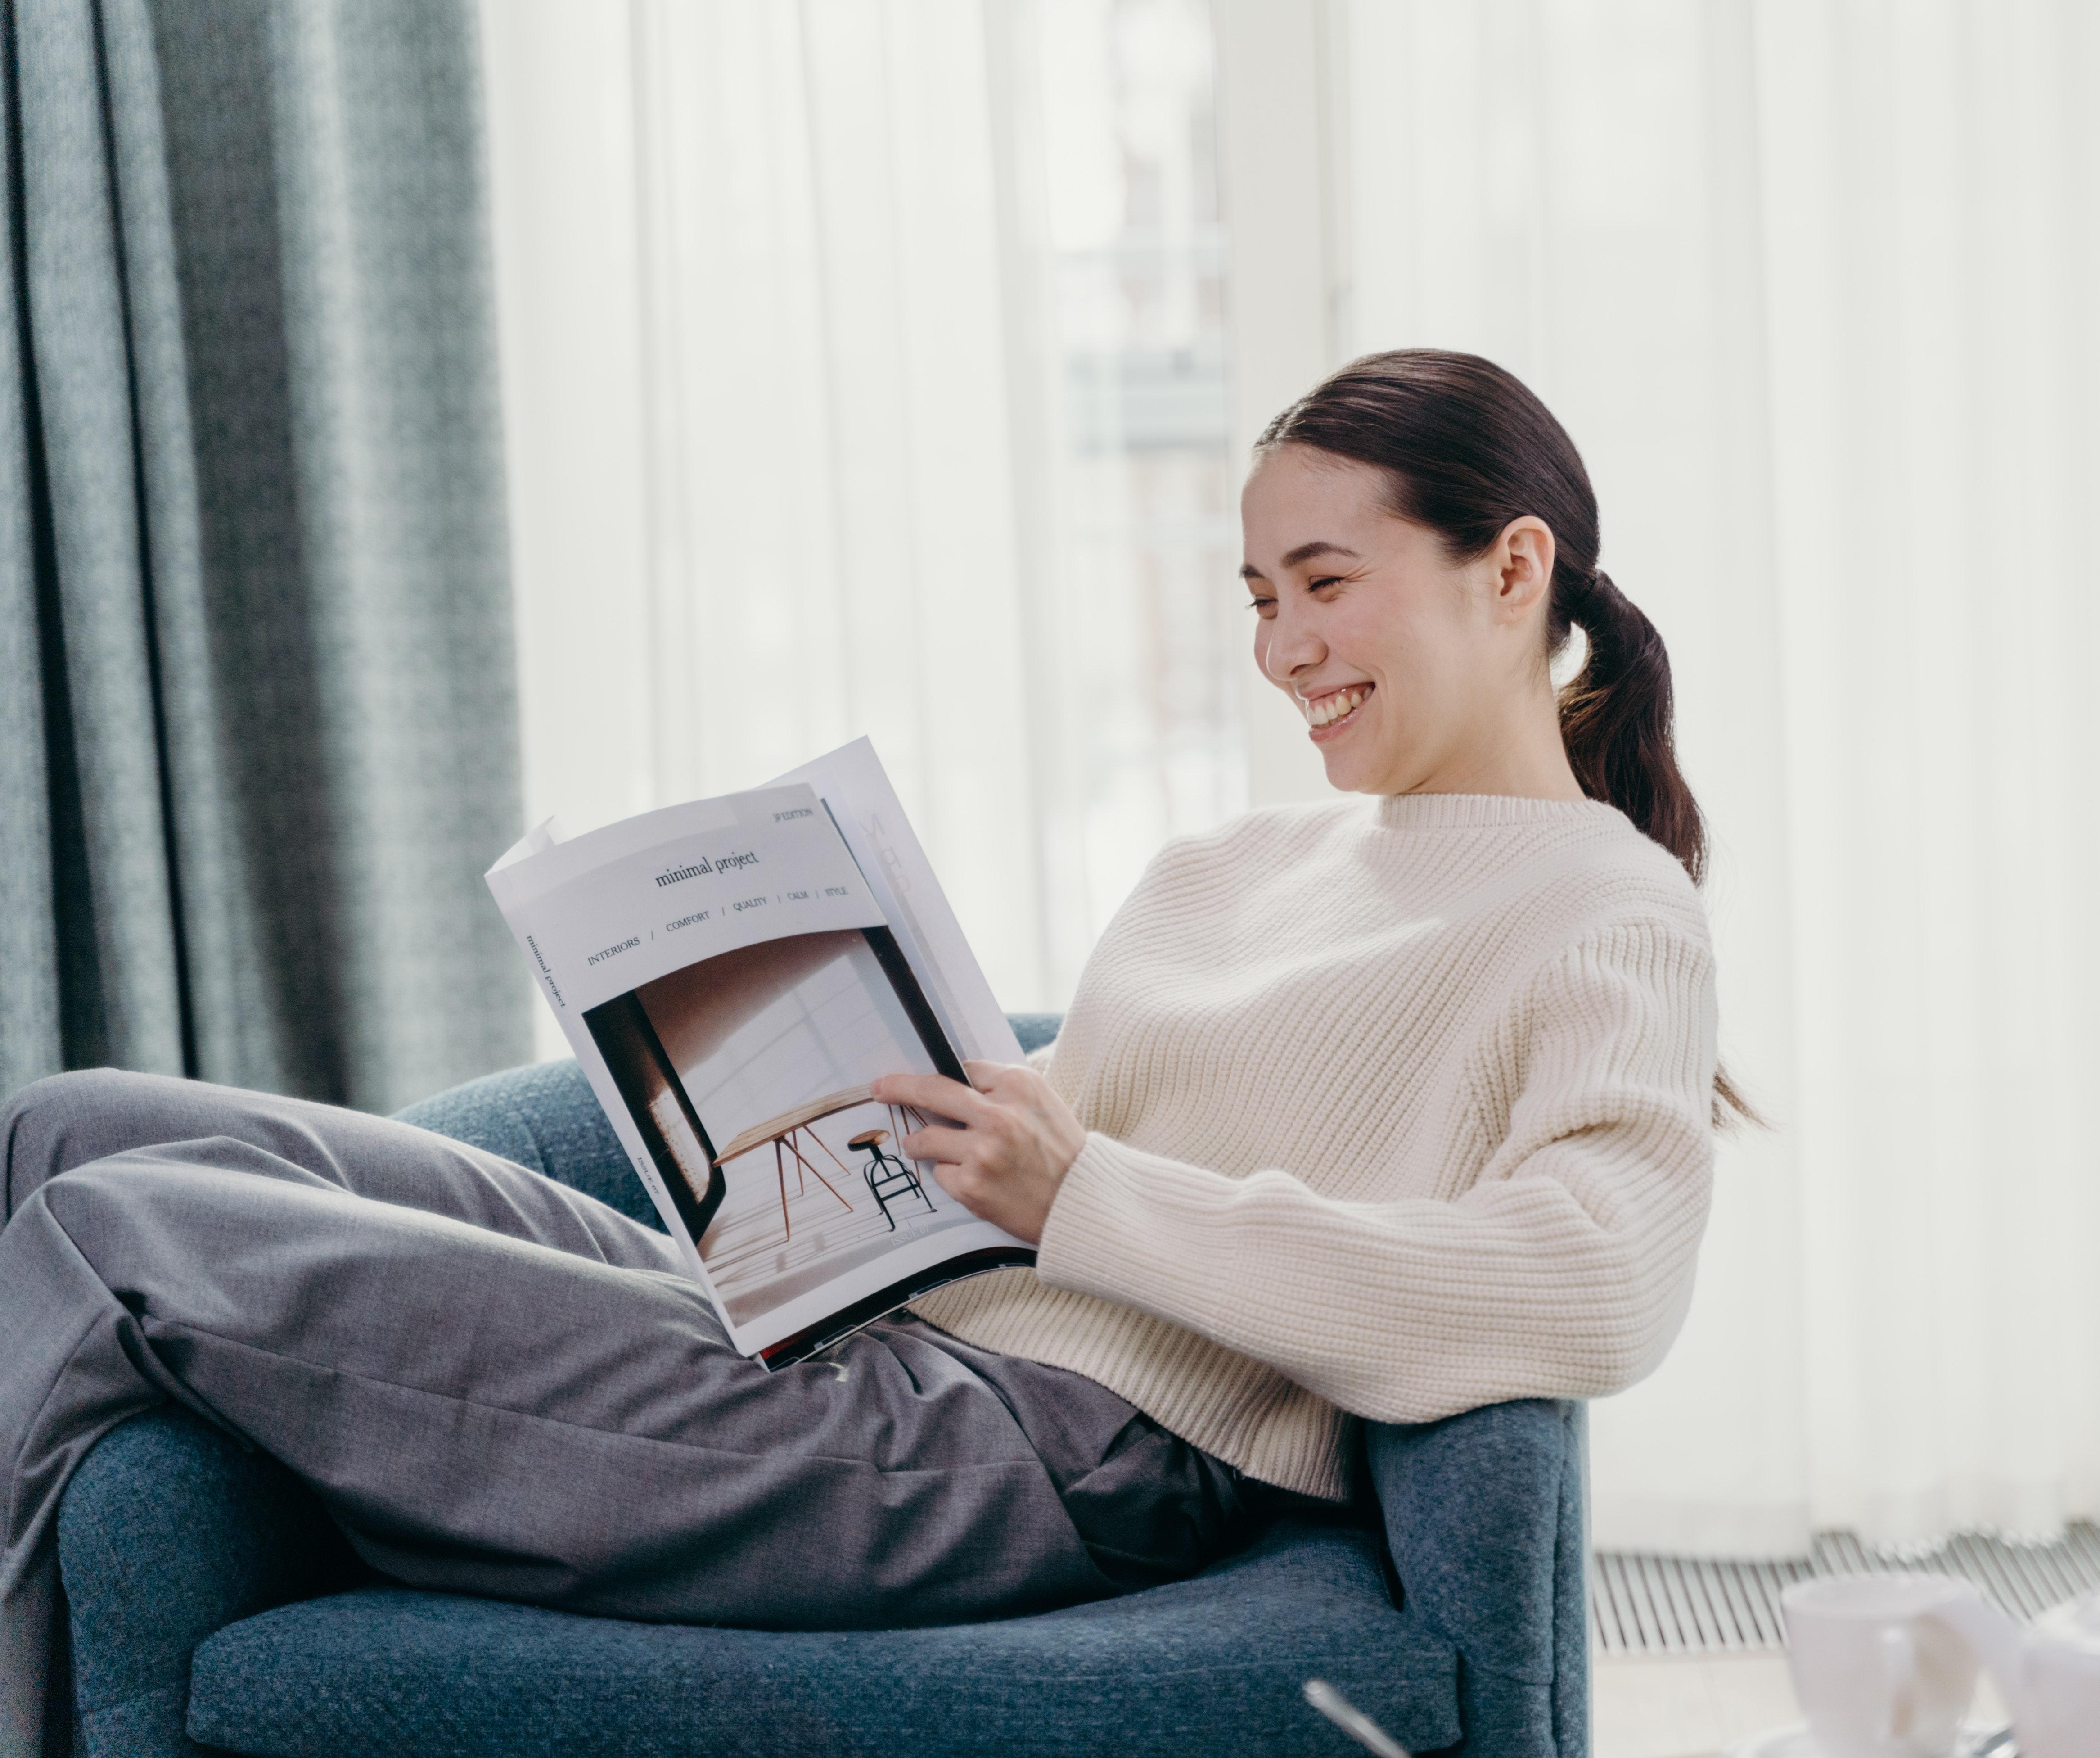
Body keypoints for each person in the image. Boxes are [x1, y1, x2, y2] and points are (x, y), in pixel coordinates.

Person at [0, 349, 1726, 1757]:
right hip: (860, 1336)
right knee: (70, 1133)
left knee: (126, 1238)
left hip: (1041, 1452)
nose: (1284, 652)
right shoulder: (1228, 867)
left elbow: (1597, 1288)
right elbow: (1082, 1164)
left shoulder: (1601, 910)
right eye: (1260, 597)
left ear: (1511, 571)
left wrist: (1085, 1198)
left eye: (1326, 588)